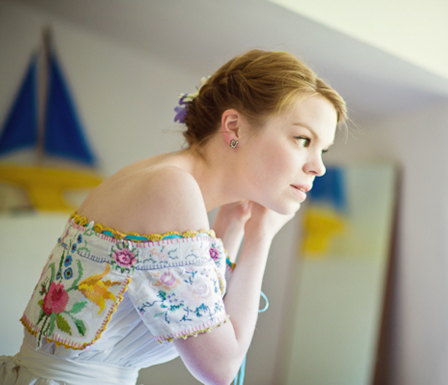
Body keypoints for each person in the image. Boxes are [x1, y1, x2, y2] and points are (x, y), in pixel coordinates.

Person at [0, 49, 347, 385]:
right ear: (234, 127)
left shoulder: (162, 177)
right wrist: (261, 236)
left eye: (323, 149)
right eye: (303, 139)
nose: (318, 166)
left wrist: (233, 223)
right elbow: (221, 368)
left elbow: (207, 308)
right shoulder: (170, 187)